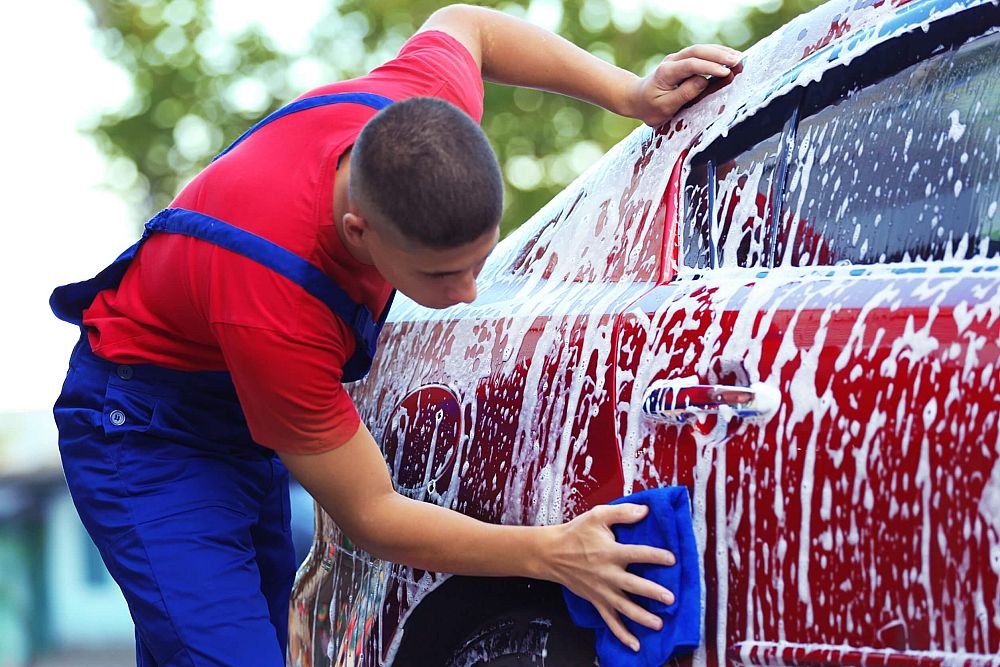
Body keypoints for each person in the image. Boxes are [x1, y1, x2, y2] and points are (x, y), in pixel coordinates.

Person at [51, 4, 741, 664]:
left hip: (236, 407)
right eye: (442, 273)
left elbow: (470, 26)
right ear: (360, 231)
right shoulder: (274, 300)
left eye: (480, 258)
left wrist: (629, 91)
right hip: (144, 432)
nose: (468, 292)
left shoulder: (419, 119)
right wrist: (554, 550)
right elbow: (373, 514)